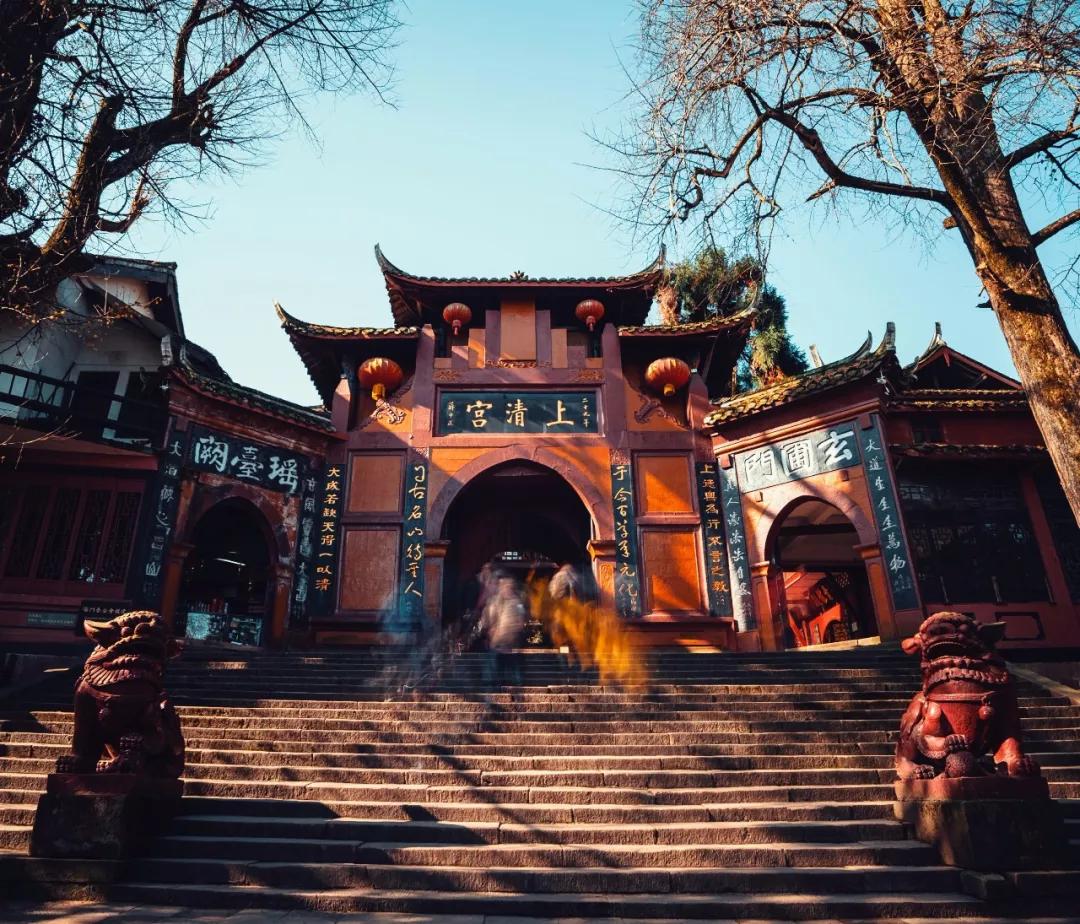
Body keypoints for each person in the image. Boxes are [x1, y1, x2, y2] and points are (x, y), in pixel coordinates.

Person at [481, 573, 527, 685]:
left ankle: (512, 681)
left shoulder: (517, 603)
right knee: (498, 662)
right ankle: (495, 681)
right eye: (502, 586)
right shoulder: (496, 601)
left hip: (508, 640)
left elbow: (521, 620)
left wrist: (515, 631)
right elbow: (488, 618)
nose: (504, 588)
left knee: (508, 663)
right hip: (498, 640)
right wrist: (490, 628)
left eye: (507, 586)